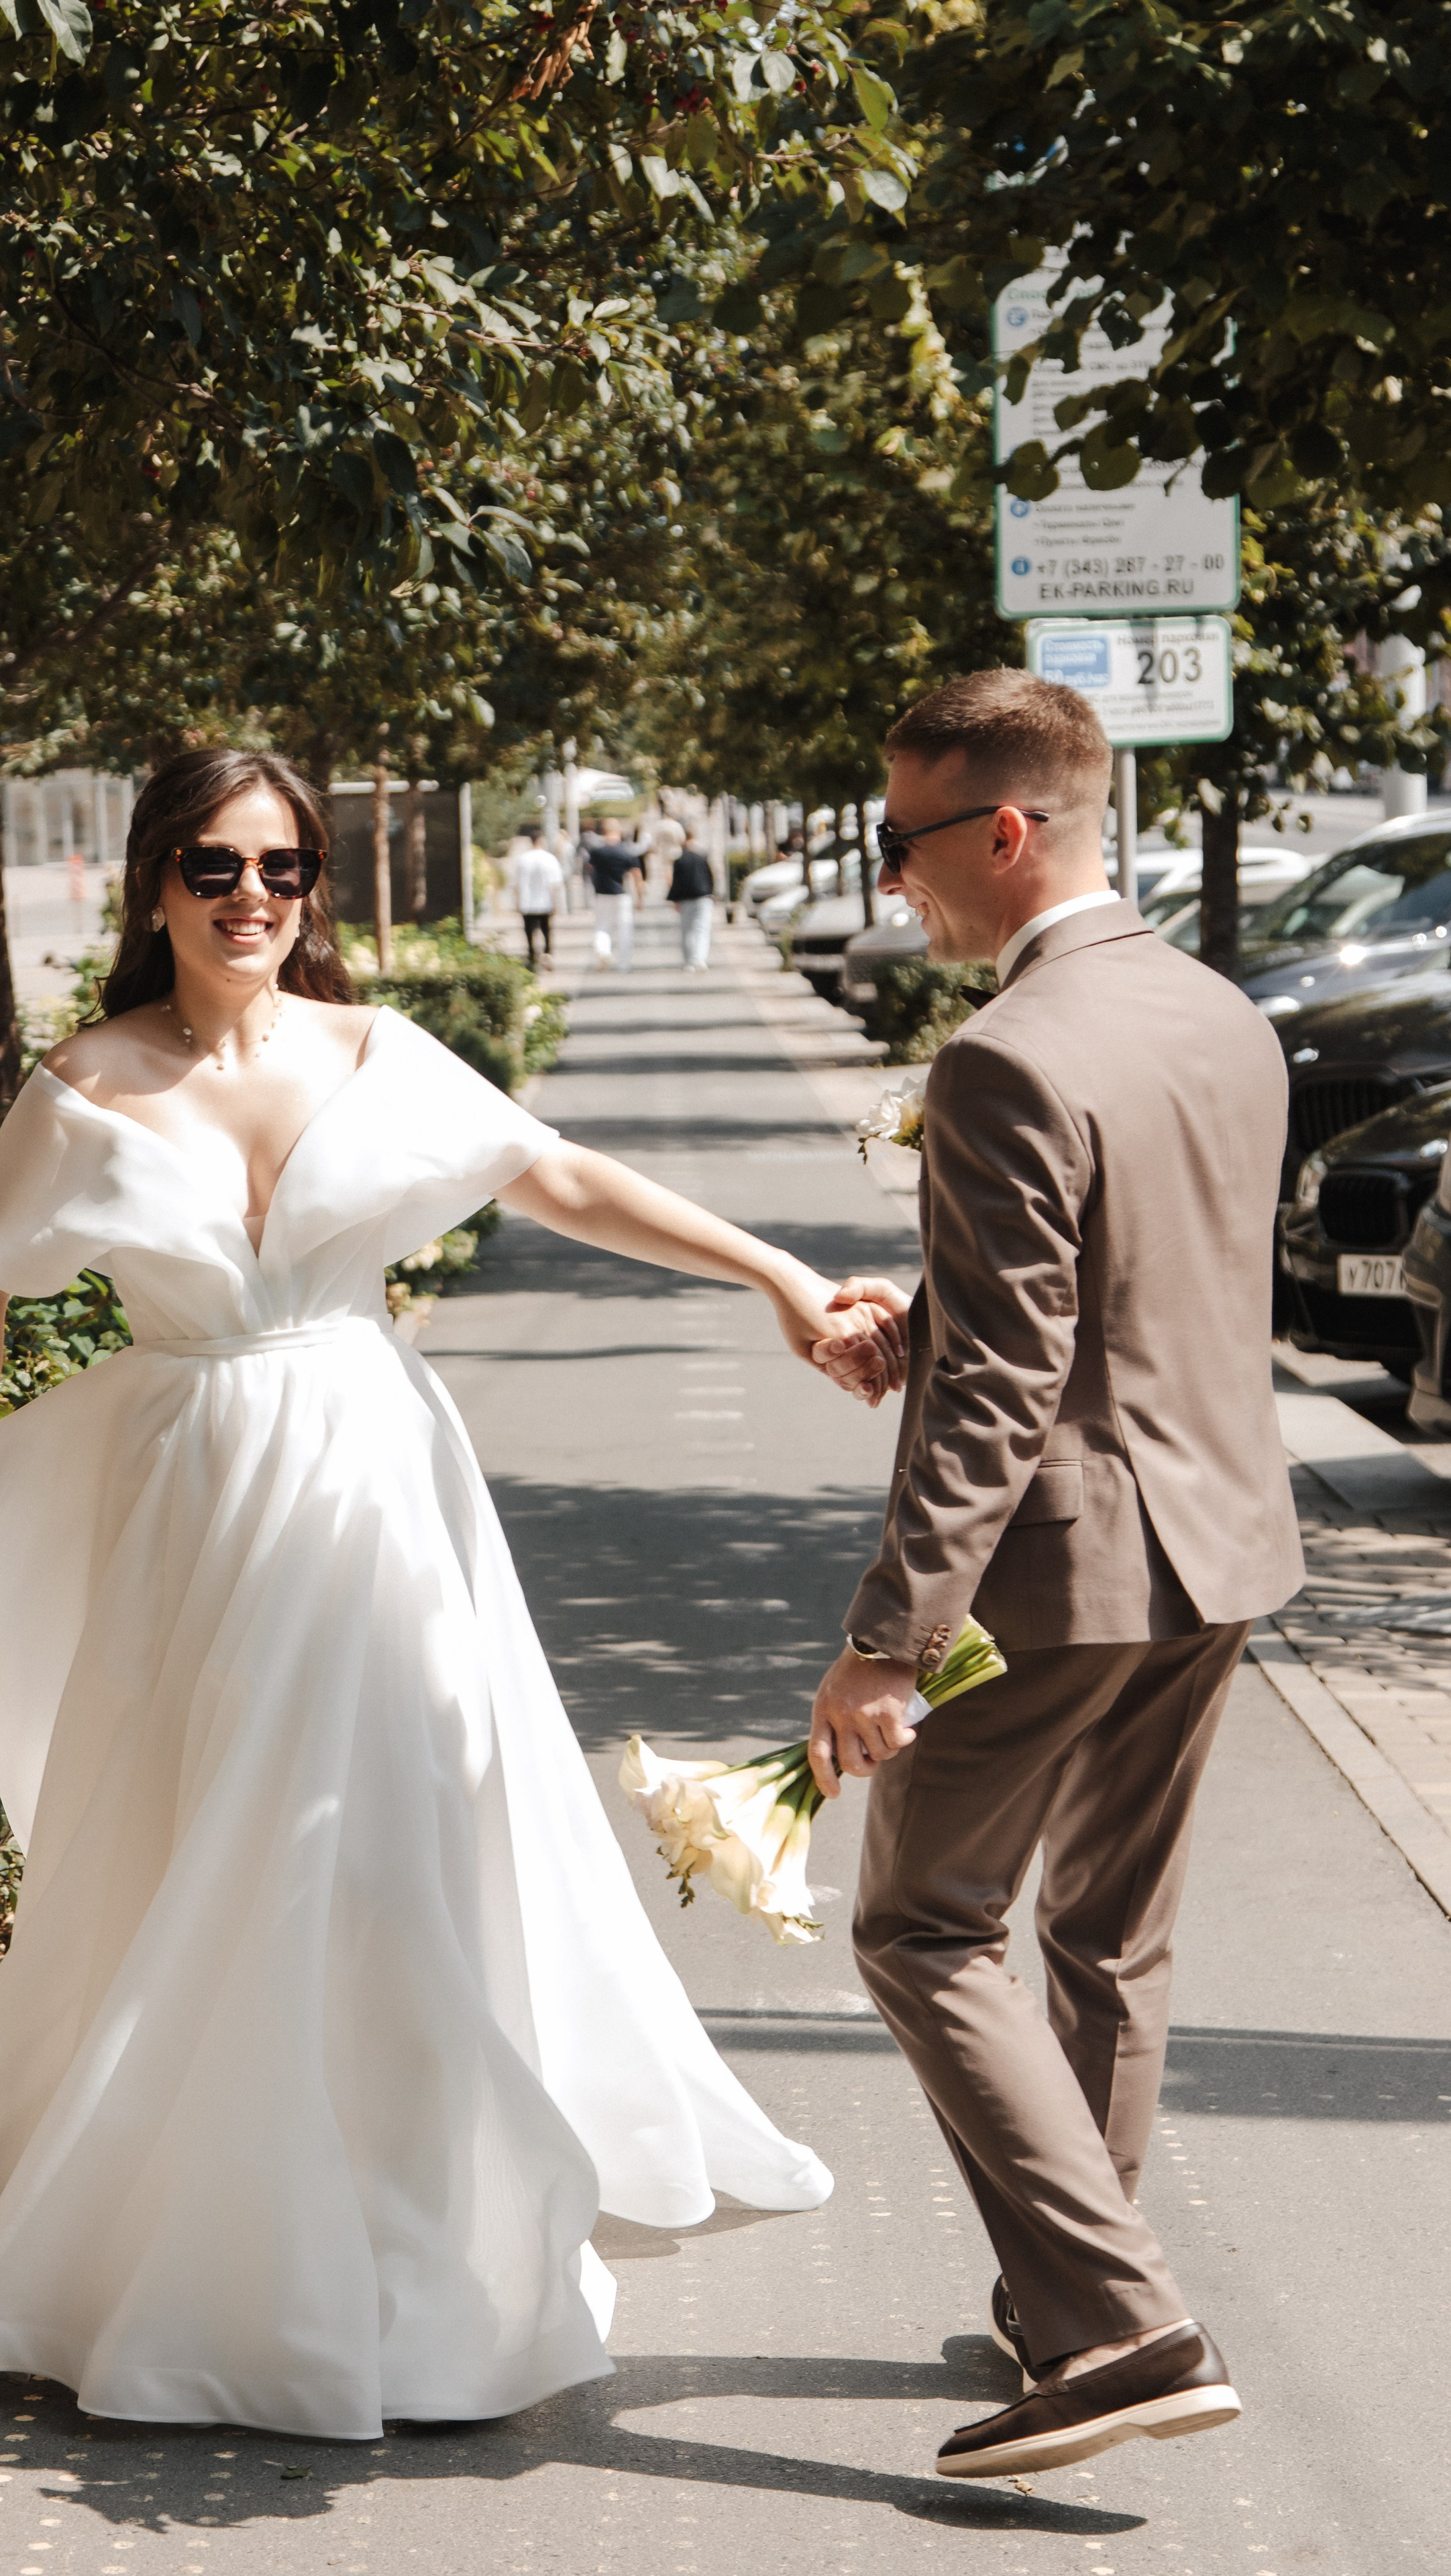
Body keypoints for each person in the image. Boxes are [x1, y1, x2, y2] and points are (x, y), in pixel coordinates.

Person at [0, 746, 902, 2441]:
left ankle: (418, 2211)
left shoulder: (376, 1051)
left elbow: (553, 1174)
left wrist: (776, 1274)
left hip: (378, 1478)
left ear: (311, 886)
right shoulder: (85, 1084)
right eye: (213, 865)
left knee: (387, 1813)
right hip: (194, 1493)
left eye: (281, 867)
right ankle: (202, 2204)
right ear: (153, 884)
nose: (249, 895)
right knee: (211, 1827)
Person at [808, 669, 1302, 2482]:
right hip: (1221, 1550)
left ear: (1006, 832)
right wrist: (918, 1326)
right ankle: (1063, 2305)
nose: (893, 885)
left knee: (923, 1927)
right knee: (1106, 1940)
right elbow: (1124, 1286)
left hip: (1065, 1574)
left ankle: (1117, 2325)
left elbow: (1016, 1391)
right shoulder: (1214, 1012)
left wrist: (889, 1643)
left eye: (905, 843)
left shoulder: (1006, 1054)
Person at [584, 817, 646, 971]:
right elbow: (637, 876)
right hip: (622, 896)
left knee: (602, 927)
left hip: (602, 895)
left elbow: (590, 870)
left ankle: (603, 950)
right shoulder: (626, 851)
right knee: (625, 930)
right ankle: (624, 965)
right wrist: (640, 898)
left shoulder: (597, 852)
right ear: (618, 831)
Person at [508, 824, 563, 969]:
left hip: (527, 903)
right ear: (541, 841)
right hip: (545, 901)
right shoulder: (549, 859)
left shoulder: (522, 859)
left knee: (529, 931)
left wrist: (517, 903)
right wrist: (556, 903)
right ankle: (547, 953)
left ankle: (532, 955)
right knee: (546, 930)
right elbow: (555, 884)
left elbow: (516, 885)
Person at [667, 837, 717, 972]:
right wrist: (713, 893)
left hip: (686, 900)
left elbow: (676, 882)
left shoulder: (679, 860)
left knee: (687, 931)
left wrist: (675, 899)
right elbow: (711, 877)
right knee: (702, 930)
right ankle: (700, 959)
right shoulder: (702, 857)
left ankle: (689, 961)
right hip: (704, 897)